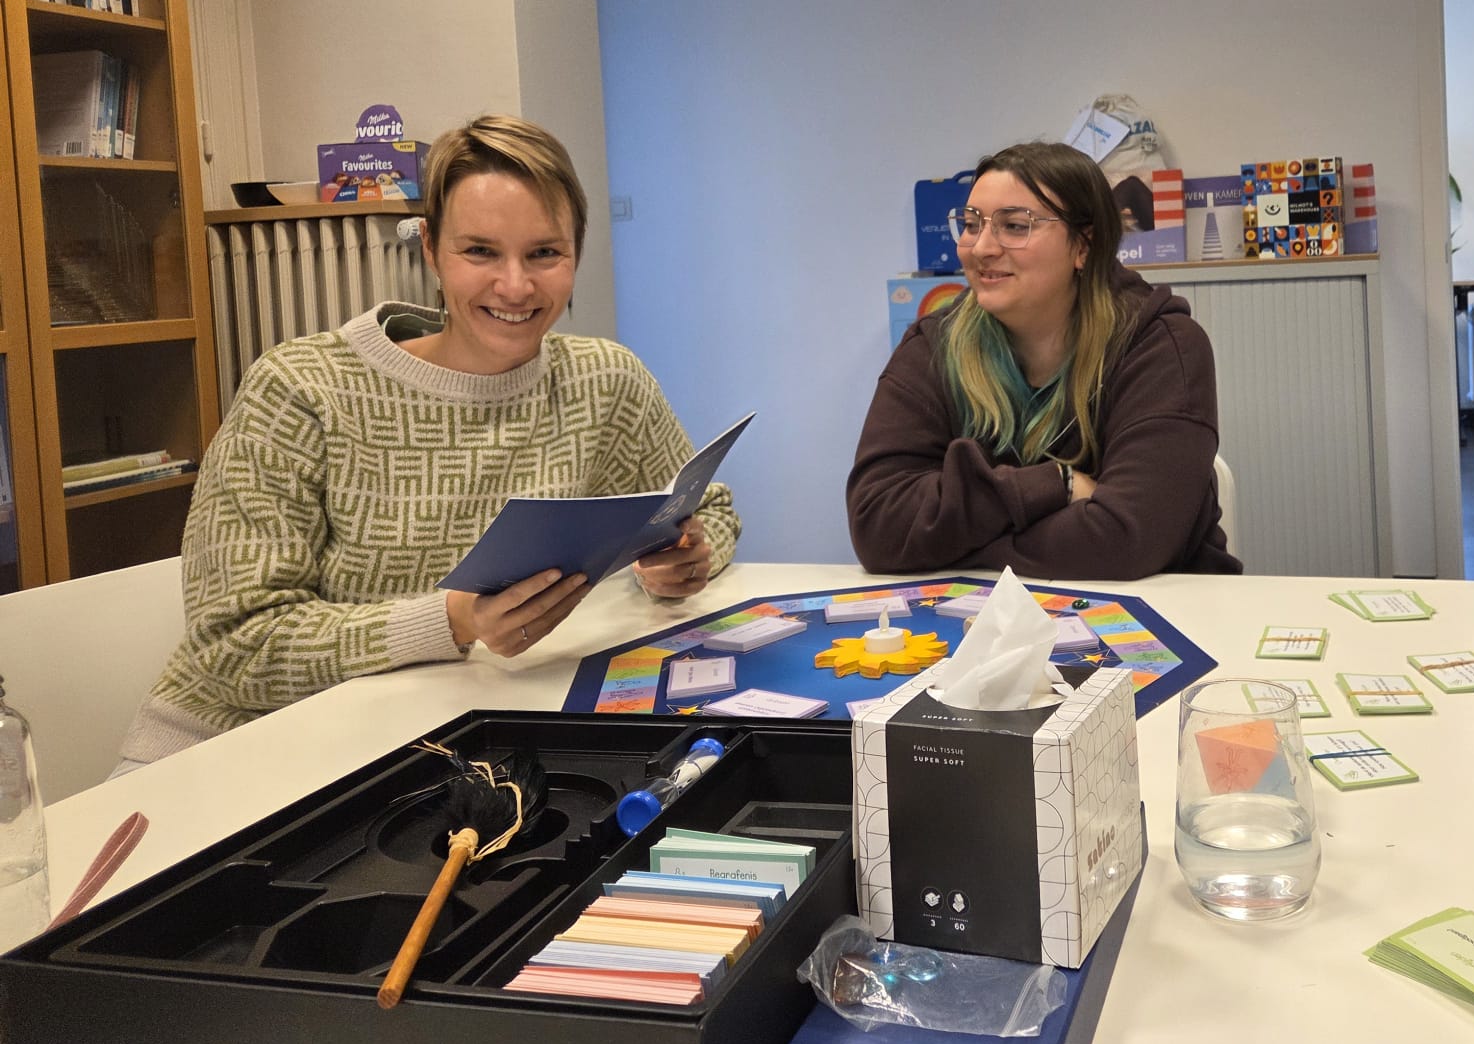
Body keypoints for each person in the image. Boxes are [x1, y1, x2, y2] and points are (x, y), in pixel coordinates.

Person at [120, 115, 739, 765]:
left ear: (576, 256)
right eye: (480, 252)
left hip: (439, 745)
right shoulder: (300, 389)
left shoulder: (605, 380)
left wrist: (681, 564)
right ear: (429, 250)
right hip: (232, 750)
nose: (515, 286)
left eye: (544, 253)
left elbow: (710, 509)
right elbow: (230, 645)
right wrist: (453, 620)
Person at [848, 141, 1238, 579]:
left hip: (1164, 608)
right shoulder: (933, 346)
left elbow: (1127, 542)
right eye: (971, 224)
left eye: (1015, 226)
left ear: (1084, 245)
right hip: (982, 611)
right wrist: (1057, 485)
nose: (981, 248)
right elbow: (878, 526)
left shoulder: (1161, 345)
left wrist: (951, 544)